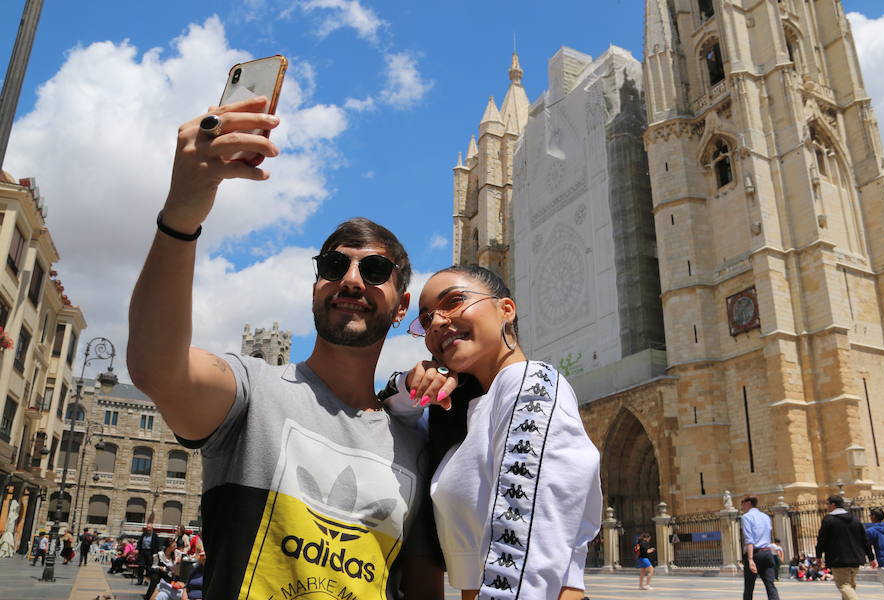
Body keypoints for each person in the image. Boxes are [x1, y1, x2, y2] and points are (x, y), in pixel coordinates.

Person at [128, 97, 439, 600]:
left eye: (375, 271)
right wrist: (181, 216)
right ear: (316, 286)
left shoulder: (414, 443)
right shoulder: (254, 392)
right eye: (334, 267)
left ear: (401, 305)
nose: (352, 280)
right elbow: (156, 369)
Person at [387, 265, 602, 599]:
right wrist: (412, 382)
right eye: (427, 319)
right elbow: (383, 415)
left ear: (506, 309)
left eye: (454, 301)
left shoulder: (531, 384)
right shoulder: (472, 413)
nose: (438, 322)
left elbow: (525, 553)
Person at [815, 494, 873, 600]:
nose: (827, 507)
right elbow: (865, 540)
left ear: (833, 504)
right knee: (850, 587)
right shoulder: (855, 519)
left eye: (827, 504)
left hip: (839, 559)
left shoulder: (829, 520)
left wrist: (818, 556)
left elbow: (821, 539)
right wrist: (871, 558)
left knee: (844, 586)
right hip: (856, 559)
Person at [740, 495, 780, 600]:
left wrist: (750, 559)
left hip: (755, 554)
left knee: (749, 588)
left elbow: (749, 539)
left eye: (742, 503)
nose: (742, 506)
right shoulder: (765, 516)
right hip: (767, 553)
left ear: (748, 503)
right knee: (770, 586)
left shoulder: (746, 517)